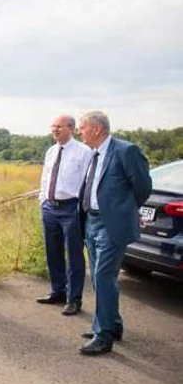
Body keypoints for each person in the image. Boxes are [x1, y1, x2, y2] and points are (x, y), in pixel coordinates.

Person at [77, 111, 152, 356]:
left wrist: (126, 211)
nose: (80, 132)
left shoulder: (126, 151)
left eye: (82, 128)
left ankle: (104, 335)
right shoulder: (93, 154)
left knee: (103, 276)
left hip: (112, 226)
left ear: (97, 128)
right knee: (101, 279)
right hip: (91, 222)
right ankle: (112, 324)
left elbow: (143, 187)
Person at [36, 115, 92, 316]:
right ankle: (58, 291)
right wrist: (43, 200)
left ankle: (74, 299)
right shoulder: (51, 151)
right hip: (50, 207)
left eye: (59, 127)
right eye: (53, 126)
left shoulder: (83, 152)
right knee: (53, 252)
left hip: (71, 208)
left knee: (74, 255)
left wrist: (83, 208)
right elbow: (45, 178)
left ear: (71, 128)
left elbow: (89, 182)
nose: (54, 130)